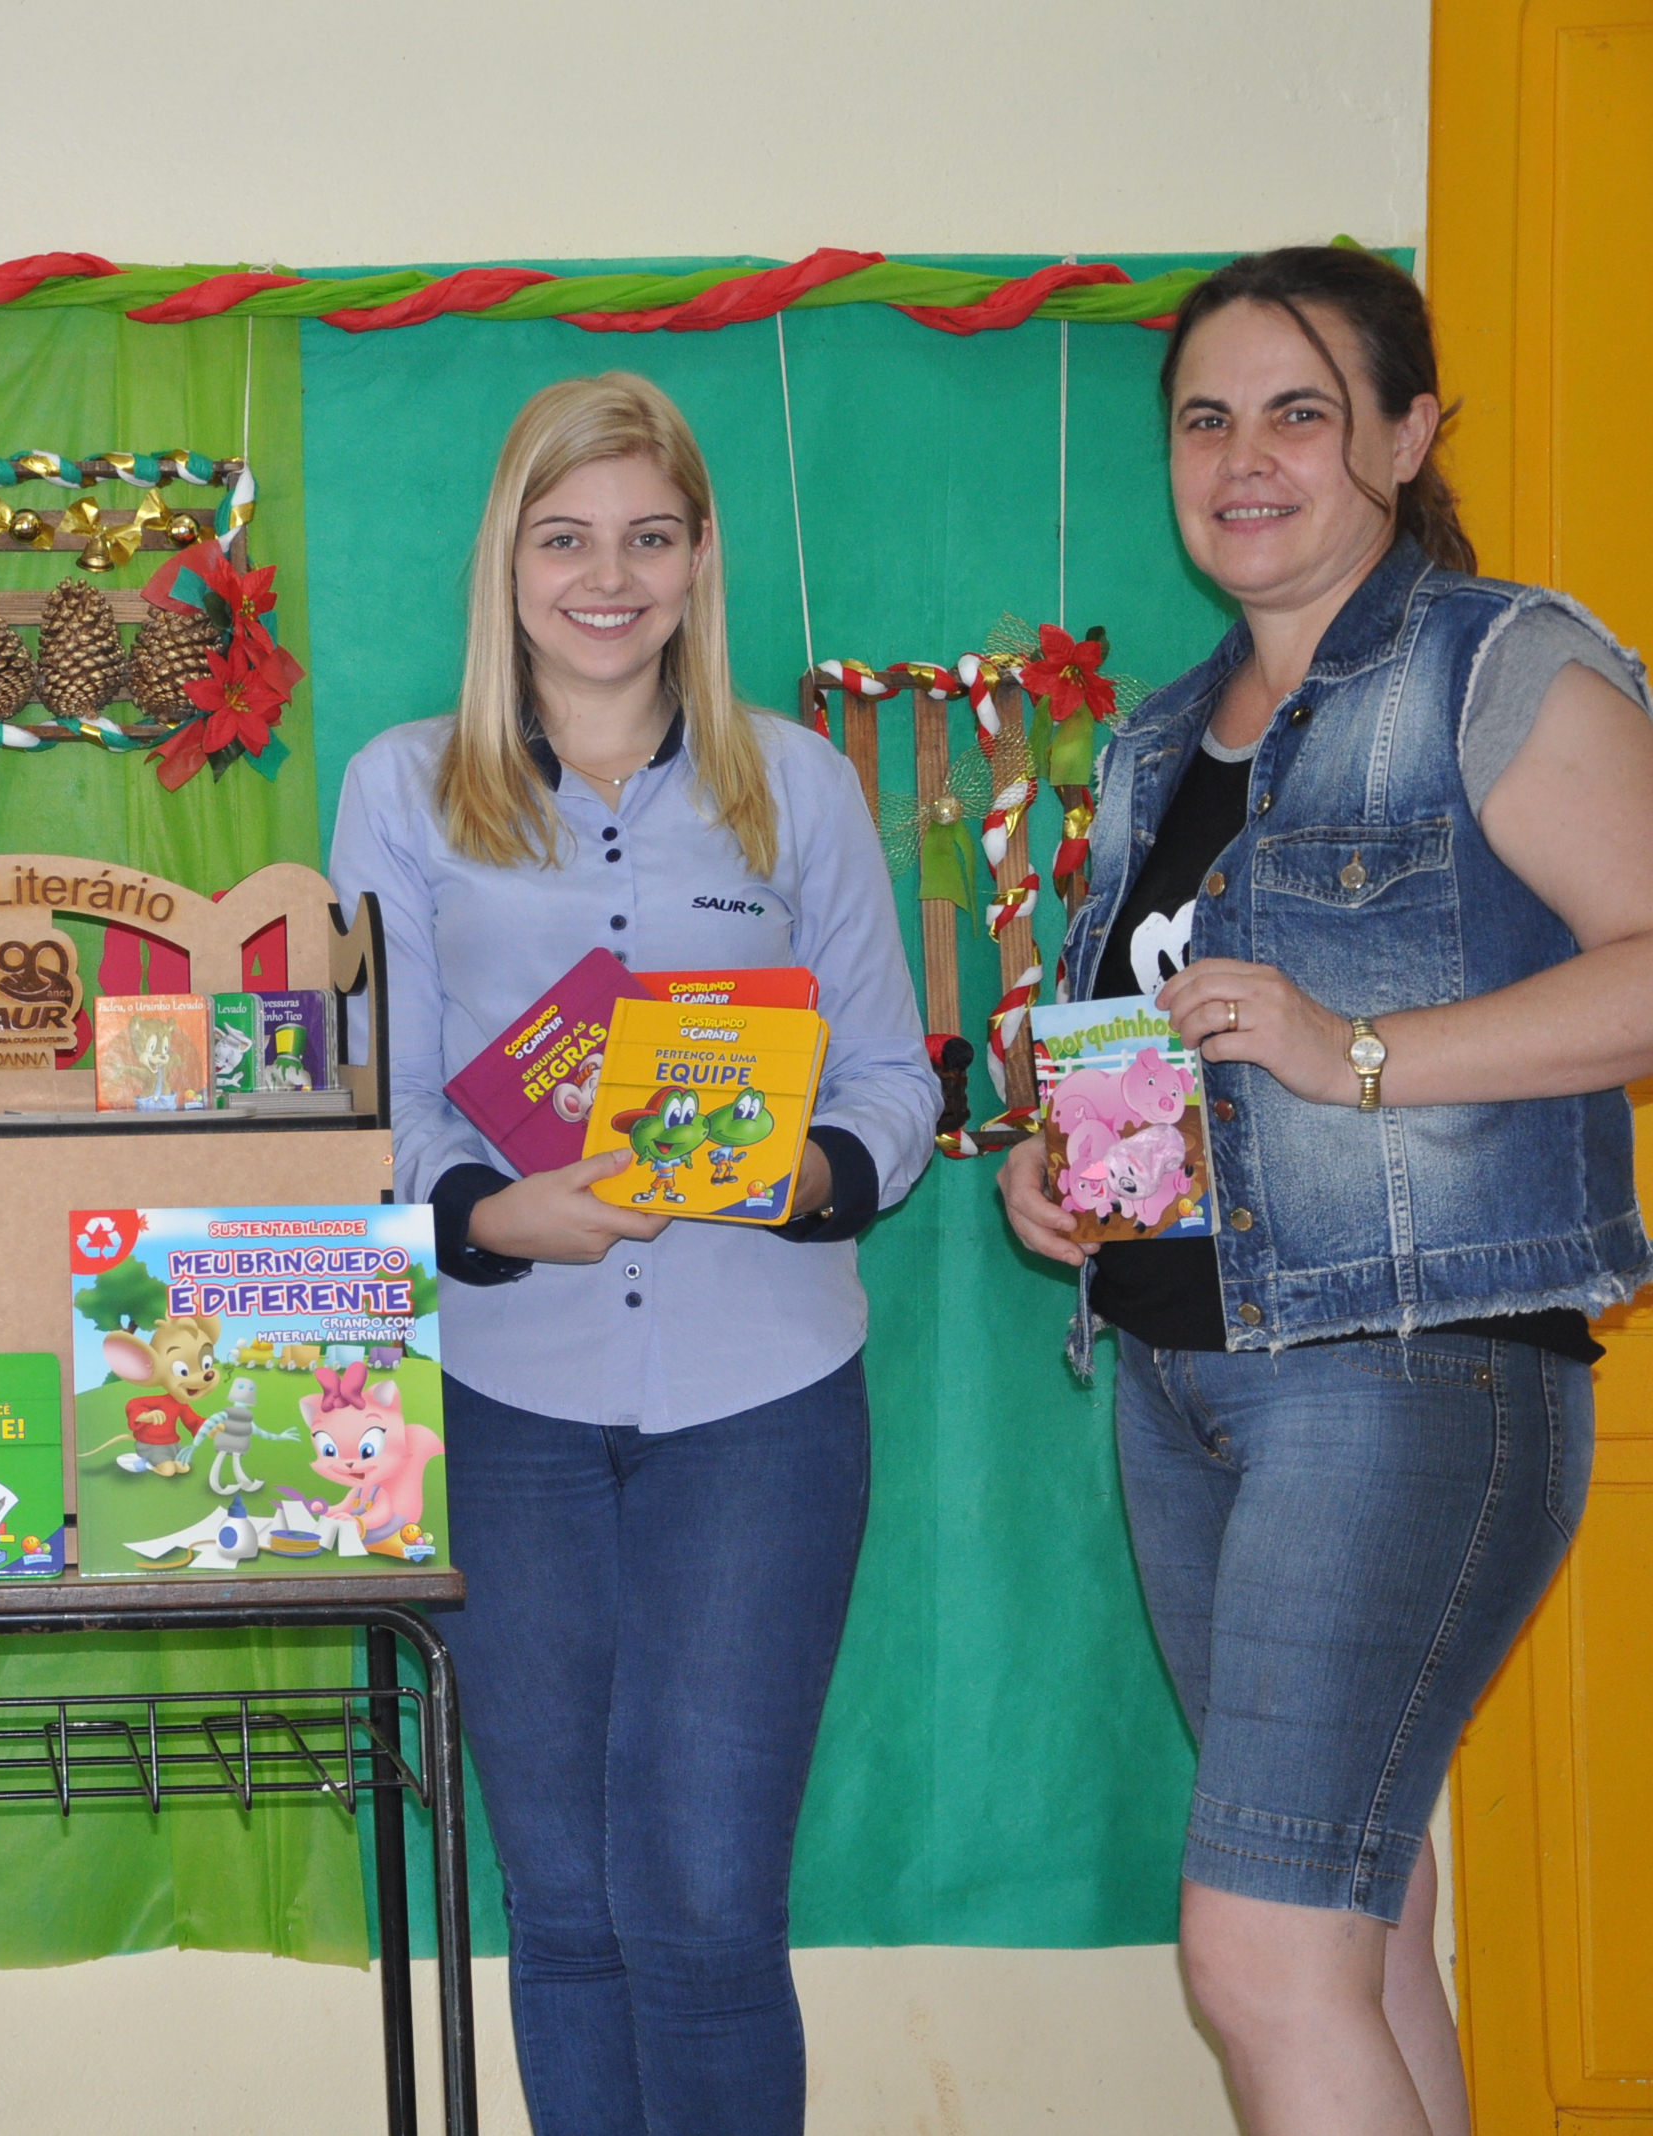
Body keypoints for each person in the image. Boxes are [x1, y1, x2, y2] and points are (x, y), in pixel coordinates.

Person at [998, 245, 1653, 2136]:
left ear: (1407, 430)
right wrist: (1075, 1183)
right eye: (1207, 417)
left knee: (1262, 1955)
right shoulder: (1150, 742)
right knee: (1356, 1923)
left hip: (1410, 1366)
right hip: (1190, 1381)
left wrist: (1353, 1050)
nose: (1246, 455)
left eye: (1301, 409)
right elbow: (1182, 1057)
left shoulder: (1497, 659)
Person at [331, 372, 938, 2136]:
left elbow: (894, 1081)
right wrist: (486, 1220)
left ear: (698, 559)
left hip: (764, 1401)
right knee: (570, 1913)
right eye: (566, 537)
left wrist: (808, 1174)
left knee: (704, 1909)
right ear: (506, 559)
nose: (610, 578)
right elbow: (377, 1098)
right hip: (504, 1403)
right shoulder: (401, 790)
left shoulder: (800, 790)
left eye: (649, 538)